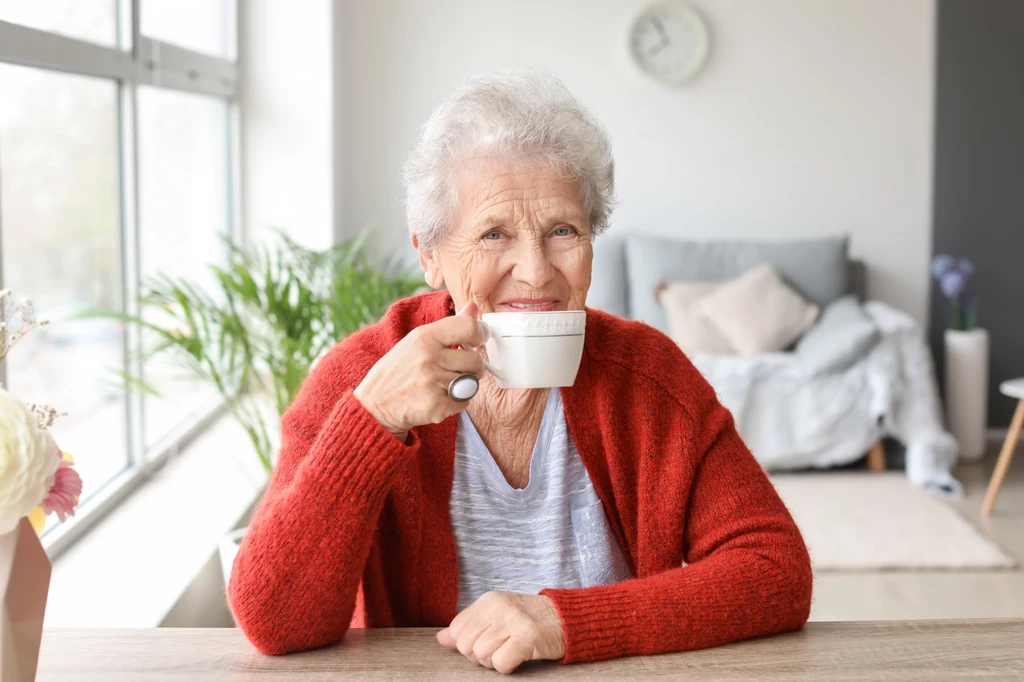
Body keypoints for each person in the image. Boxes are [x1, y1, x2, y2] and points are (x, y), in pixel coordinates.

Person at [228, 69, 812, 674]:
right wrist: (374, 419)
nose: (535, 272)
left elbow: (775, 569)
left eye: (563, 231)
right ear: (431, 256)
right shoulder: (359, 377)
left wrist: (562, 622)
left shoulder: (647, 376)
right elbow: (274, 622)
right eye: (494, 233)